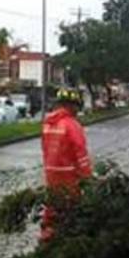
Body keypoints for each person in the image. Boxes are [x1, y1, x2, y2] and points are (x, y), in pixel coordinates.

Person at [40, 88, 92, 243]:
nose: (77, 110)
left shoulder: (48, 123)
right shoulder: (72, 125)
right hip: (69, 173)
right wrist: (87, 176)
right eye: (76, 106)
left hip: (51, 171)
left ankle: (48, 230)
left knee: (53, 201)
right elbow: (80, 154)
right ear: (71, 105)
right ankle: (68, 234)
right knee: (71, 202)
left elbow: (44, 148)